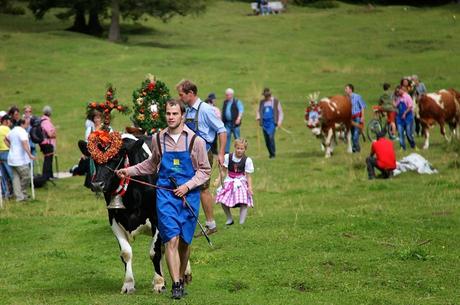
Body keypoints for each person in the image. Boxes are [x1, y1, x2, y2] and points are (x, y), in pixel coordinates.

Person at [115, 99, 211, 299]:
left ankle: (181, 277)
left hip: (189, 197)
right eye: (168, 113)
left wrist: (187, 186)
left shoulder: (196, 141)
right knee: (171, 240)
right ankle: (176, 284)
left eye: (175, 114)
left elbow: (205, 171)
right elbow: (150, 165)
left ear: (182, 115)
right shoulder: (158, 139)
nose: (171, 117)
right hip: (166, 195)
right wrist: (128, 171)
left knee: (184, 242)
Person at [177, 79, 227, 237]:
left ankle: (211, 224)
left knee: (203, 188)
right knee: (188, 186)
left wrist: (221, 153)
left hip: (204, 153)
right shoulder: (189, 110)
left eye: (181, 95)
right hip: (189, 153)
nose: (180, 98)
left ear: (191, 93)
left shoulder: (205, 109)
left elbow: (222, 130)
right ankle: (187, 221)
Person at [215, 138, 254, 225]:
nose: (239, 150)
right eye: (238, 148)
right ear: (235, 147)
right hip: (229, 180)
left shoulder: (247, 160)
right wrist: (218, 179)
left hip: (241, 181)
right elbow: (223, 171)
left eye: (242, 149)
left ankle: (241, 222)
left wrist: (250, 187)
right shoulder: (228, 157)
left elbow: (248, 176)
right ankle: (229, 219)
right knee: (222, 198)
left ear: (245, 149)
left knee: (244, 200)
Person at [5, 119, 36, 201]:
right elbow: (24, 143)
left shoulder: (13, 130)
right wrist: (30, 154)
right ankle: (22, 192)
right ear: (22, 124)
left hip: (11, 158)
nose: (28, 126)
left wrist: (11, 147)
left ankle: (19, 197)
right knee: (27, 175)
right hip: (19, 159)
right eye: (27, 124)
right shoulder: (22, 131)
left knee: (16, 178)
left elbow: (5, 139)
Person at [256, 88, 283, 158]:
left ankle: (273, 154)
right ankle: (270, 154)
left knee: (271, 137)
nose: (266, 97)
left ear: (270, 95)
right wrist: (258, 117)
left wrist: (279, 122)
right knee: (267, 140)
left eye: (267, 96)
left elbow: (280, 112)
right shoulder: (262, 102)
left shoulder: (275, 101)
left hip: (272, 123)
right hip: (264, 123)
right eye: (265, 96)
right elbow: (258, 111)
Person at [345, 84, 366, 153]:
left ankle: (356, 149)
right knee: (352, 133)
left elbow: (362, 107)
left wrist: (362, 117)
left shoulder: (357, 97)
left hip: (357, 117)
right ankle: (356, 148)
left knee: (356, 134)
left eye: (346, 88)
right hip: (350, 118)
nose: (345, 90)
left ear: (350, 90)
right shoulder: (346, 98)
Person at [222, 88, 244, 154]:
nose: (226, 96)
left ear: (231, 95)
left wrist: (238, 118)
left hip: (235, 123)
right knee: (226, 136)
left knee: (237, 137)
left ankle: (240, 150)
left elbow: (241, 110)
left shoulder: (237, 102)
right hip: (227, 123)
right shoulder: (225, 102)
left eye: (228, 95)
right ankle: (226, 152)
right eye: (226, 95)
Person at [394, 85, 416, 150]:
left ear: (402, 90)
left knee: (408, 133)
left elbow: (410, 106)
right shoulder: (398, 98)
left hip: (408, 117)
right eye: (397, 91)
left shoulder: (407, 97)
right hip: (400, 118)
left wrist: (405, 113)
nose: (397, 92)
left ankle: (413, 145)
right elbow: (396, 105)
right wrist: (393, 102)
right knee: (400, 133)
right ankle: (402, 147)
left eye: (398, 91)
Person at [40, 106, 57, 180]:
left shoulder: (42, 120)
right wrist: (54, 134)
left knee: (48, 159)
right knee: (48, 159)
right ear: (50, 113)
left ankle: (49, 175)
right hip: (47, 143)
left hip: (44, 143)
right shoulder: (46, 122)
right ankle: (46, 176)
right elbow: (50, 134)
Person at [0, 114, 13, 198]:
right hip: (6, 152)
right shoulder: (7, 129)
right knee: (12, 174)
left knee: (3, 175)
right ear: (5, 121)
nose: (10, 122)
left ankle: (5, 193)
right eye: (9, 121)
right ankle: (16, 192)